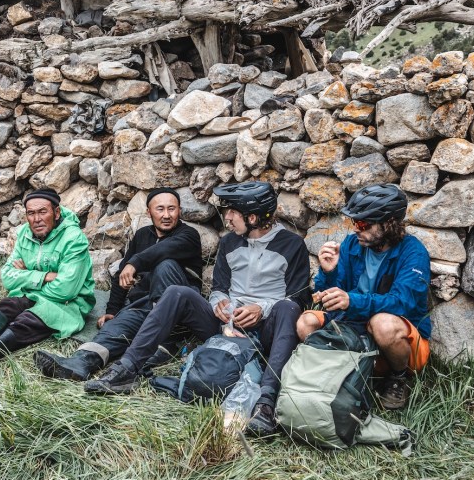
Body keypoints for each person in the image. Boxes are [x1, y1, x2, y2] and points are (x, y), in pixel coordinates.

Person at [85, 181, 311, 438]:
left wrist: (261, 308)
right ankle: (126, 370)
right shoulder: (229, 243)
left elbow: (299, 296)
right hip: (225, 325)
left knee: (287, 308)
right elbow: (219, 288)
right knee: (177, 292)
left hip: (269, 328)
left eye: (232, 212)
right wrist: (219, 306)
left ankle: (266, 404)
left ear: (253, 216)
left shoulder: (292, 245)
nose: (226, 218)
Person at [34, 187, 203, 381]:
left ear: (179, 211)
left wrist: (135, 263)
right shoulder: (142, 236)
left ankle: (169, 340)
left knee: (166, 265)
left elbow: (164, 250)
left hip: (177, 311)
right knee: (113, 330)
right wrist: (113, 310)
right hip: (144, 306)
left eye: (172, 209)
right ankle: (79, 364)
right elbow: (121, 275)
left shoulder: (189, 235)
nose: (166, 215)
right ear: (149, 212)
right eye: (160, 209)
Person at [296, 183, 432, 410]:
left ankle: (398, 379)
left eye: (363, 223)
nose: (356, 228)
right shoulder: (353, 244)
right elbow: (336, 295)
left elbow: (402, 303)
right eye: (354, 222)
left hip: (400, 346)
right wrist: (329, 273)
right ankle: (337, 377)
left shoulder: (414, 253)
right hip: (354, 328)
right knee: (305, 322)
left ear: (388, 224)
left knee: (383, 323)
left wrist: (352, 300)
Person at [0, 188, 95, 365]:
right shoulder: (25, 235)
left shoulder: (74, 239)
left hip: (67, 305)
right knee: (6, 306)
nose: (37, 219)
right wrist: (44, 276)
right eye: (31, 213)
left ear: (56, 212)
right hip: (31, 295)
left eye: (43, 212)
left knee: (28, 319)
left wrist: (25, 277)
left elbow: (65, 289)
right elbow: (7, 276)